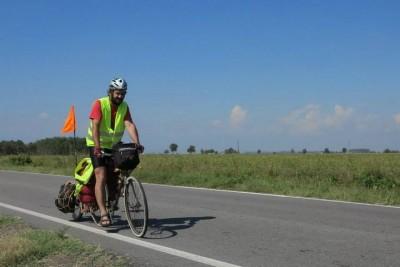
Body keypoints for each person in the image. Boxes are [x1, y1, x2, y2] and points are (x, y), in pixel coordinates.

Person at [86, 77, 143, 227]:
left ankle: (113, 197)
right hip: (96, 144)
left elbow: (129, 124)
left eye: (123, 93)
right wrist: (97, 147)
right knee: (101, 176)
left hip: (114, 145)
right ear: (111, 92)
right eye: (118, 93)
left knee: (121, 171)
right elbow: (96, 126)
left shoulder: (124, 106)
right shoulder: (99, 104)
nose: (120, 96)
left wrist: (137, 143)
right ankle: (104, 214)